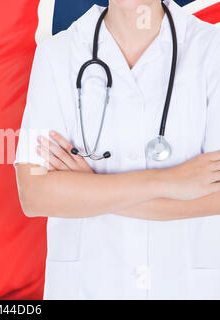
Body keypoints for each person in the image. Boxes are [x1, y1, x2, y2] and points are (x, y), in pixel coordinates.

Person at [14, 0, 220, 299]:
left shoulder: (212, 50)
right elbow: (35, 195)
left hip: (184, 286)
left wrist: (88, 189)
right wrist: (169, 181)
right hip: (88, 285)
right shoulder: (57, 55)